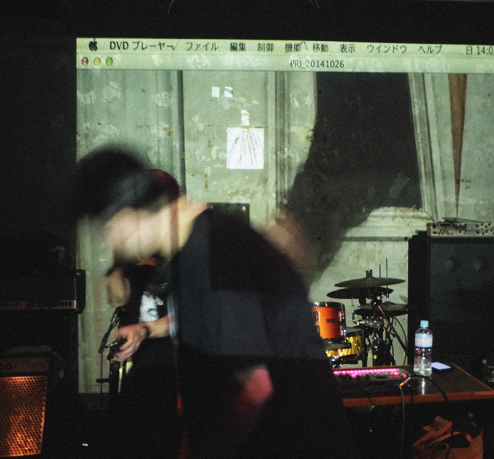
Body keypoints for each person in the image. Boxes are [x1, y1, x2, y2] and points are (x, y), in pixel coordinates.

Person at [74, 147, 354, 459]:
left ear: (126, 216)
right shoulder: (197, 247)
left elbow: (253, 387)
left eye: (107, 229)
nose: (111, 241)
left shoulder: (214, 251)